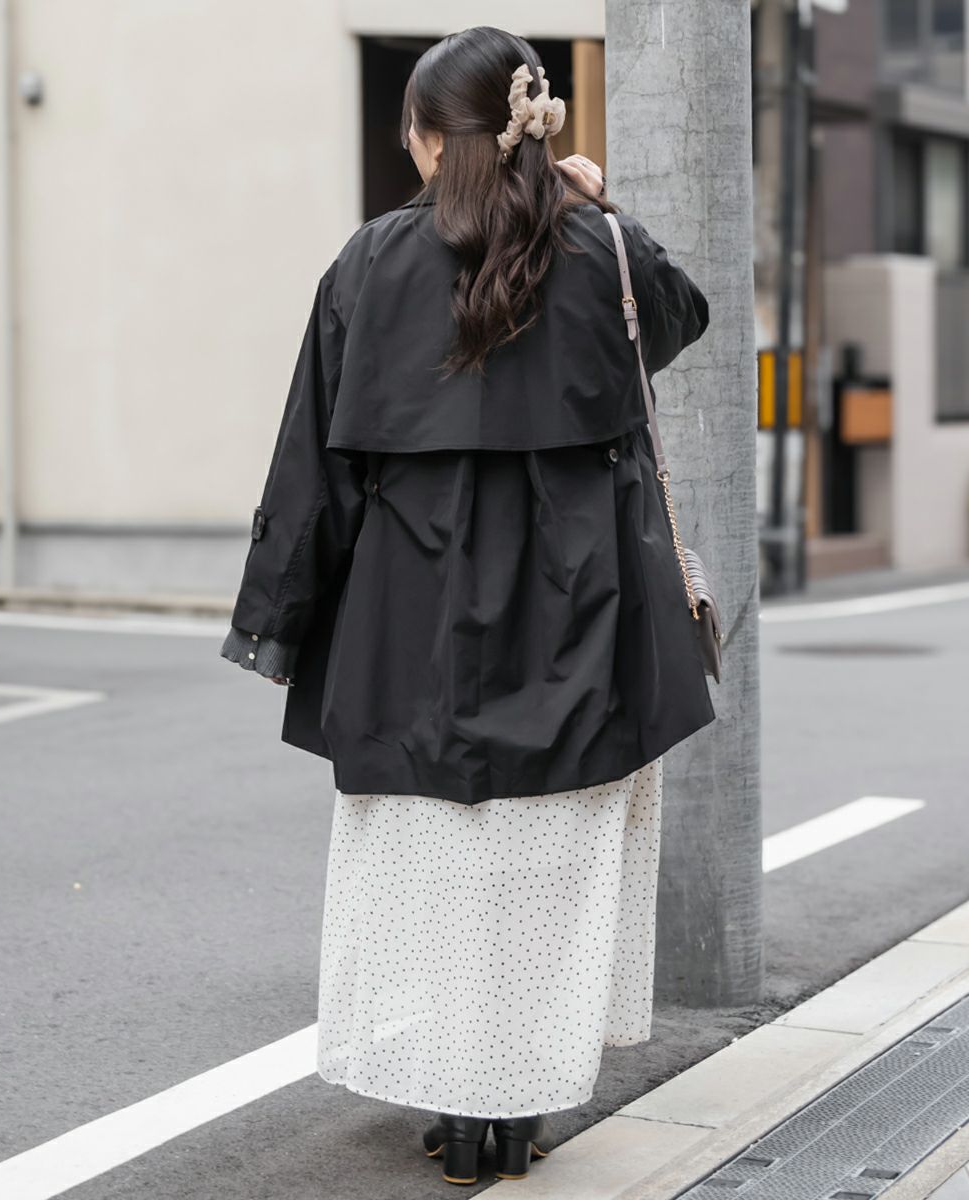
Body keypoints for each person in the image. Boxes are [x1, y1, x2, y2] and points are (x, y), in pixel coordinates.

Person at [220, 25, 715, 1187]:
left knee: (432, 869)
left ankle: (457, 1106)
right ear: (530, 130)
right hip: (581, 613)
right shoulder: (595, 249)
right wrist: (595, 203)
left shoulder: (368, 262)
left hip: (410, 620)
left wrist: (280, 618)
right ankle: (520, 1105)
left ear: (431, 138)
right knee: (550, 867)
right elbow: (678, 319)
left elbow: (312, 461)